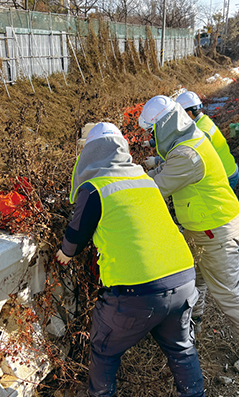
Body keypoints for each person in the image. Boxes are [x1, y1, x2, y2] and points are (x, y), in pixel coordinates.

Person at [55, 122, 205, 397]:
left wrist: (64, 253)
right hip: (183, 278)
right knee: (182, 349)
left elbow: (74, 242)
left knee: (103, 350)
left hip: (136, 292)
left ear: (89, 153)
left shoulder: (94, 188)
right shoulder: (145, 180)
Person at [139, 95, 239, 334]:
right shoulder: (188, 141)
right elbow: (162, 169)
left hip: (214, 230)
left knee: (229, 297)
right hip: (204, 227)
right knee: (196, 280)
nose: (150, 139)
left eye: (152, 132)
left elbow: (155, 190)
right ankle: (195, 323)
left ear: (163, 127)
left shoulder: (187, 155)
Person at [175, 91, 239, 190]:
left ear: (189, 114)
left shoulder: (201, 131)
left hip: (226, 176)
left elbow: (188, 153)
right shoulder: (203, 121)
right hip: (229, 169)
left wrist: (157, 161)